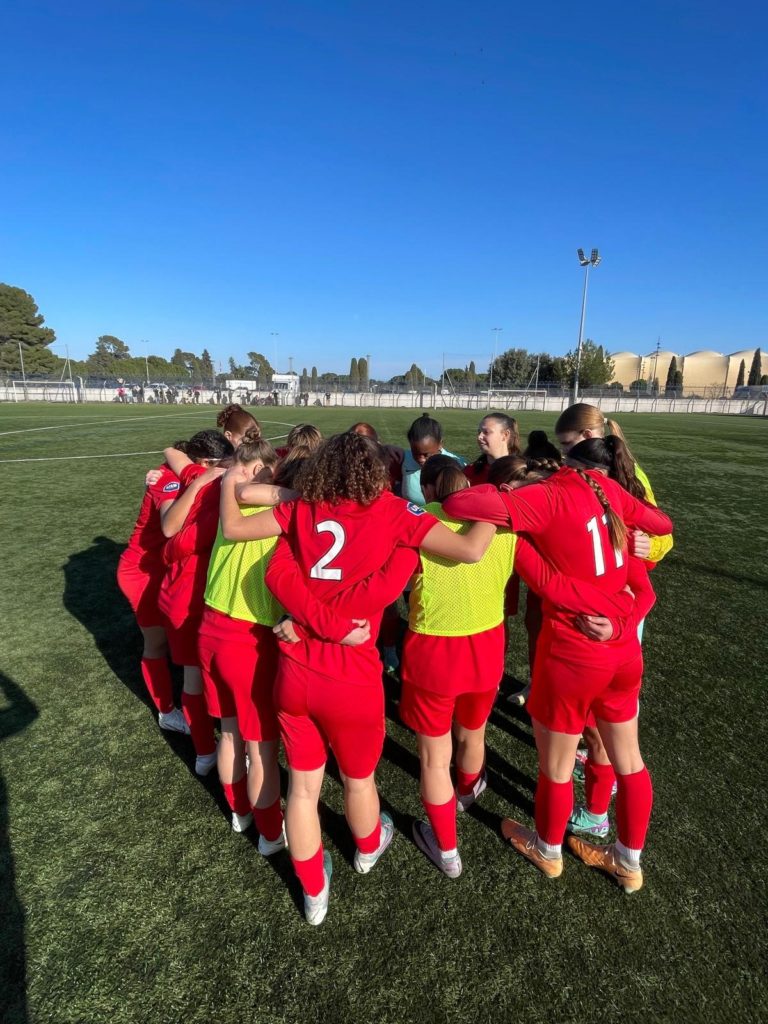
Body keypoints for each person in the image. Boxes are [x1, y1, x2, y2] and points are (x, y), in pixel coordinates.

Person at [219, 432, 497, 925]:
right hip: (352, 677)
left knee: (302, 789)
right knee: (358, 778)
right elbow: (471, 550)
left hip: (296, 670)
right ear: (376, 472)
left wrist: (231, 481)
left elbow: (242, 530)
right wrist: (496, 502)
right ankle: (368, 847)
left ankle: (313, 892)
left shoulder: (300, 510)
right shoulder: (394, 513)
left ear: (320, 470)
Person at [443, 437, 673, 893]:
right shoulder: (611, 499)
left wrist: (506, 501)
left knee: (557, 766)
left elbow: (458, 501)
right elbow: (657, 541)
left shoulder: (548, 498)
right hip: (623, 653)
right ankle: (627, 861)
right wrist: (620, 617)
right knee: (630, 761)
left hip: (571, 656)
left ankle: (547, 849)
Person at [554, 403, 673, 837]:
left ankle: (597, 810)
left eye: (569, 446)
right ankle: (595, 774)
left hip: (622, 606)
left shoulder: (625, 475)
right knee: (592, 711)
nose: (565, 456)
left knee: (610, 716)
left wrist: (645, 547)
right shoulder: (579, 476)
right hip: (592, 603)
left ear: (589, 437)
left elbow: (662, 537)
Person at [198, 431, 286, 845]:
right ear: (260, 470)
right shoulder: (271, 503)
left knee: (230, 733)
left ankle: (239, 812)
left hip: (211, 627)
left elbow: (235, 483)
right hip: (246, 638)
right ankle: (270, 833)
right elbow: (255, 488)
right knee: (260, 746)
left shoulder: (229, 493)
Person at [158, 430, 234, 776]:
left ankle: (205, 751)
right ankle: (212, 750)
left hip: (181, 595)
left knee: (196, 678)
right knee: (212, 680)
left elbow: (172, 450)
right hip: (196, 600)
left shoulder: (194, 475)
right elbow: (172, 534)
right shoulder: (220, 488)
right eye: (226, 464)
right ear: (208, 464)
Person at [117, 453, 188, 734]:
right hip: (142, 573)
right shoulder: (168, 479)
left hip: (164, 566)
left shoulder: (179, 473)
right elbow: (171, 524)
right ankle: (167, 712)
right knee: (156, 642)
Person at [401, 414, 465, 506]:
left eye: (426, 455)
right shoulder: (403, 457)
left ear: (440, 444)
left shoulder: (456, 464)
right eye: (415, 453)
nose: (421, 459)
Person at [464, 413, 521, 485]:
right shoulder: (469, 472)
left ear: (505, 435)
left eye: (486, 432)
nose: (479, 437)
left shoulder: (521, 473)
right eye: (479, 432)